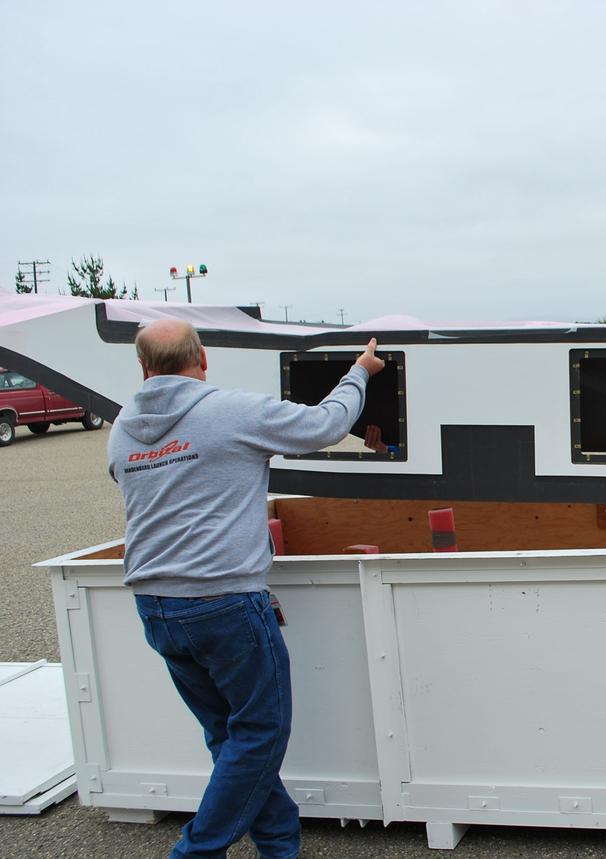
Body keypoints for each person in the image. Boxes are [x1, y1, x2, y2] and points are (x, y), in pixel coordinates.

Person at [106, 319, 384, 859]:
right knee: (260, 734)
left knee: (231, 738)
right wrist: (360, 372)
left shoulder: (122, 428)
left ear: (142, 368)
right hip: (223, 602)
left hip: (156, 606)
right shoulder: (230, 411)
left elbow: (129, 480)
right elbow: (325, 425)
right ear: (203, 359)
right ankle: (195, 852)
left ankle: (279, 847)